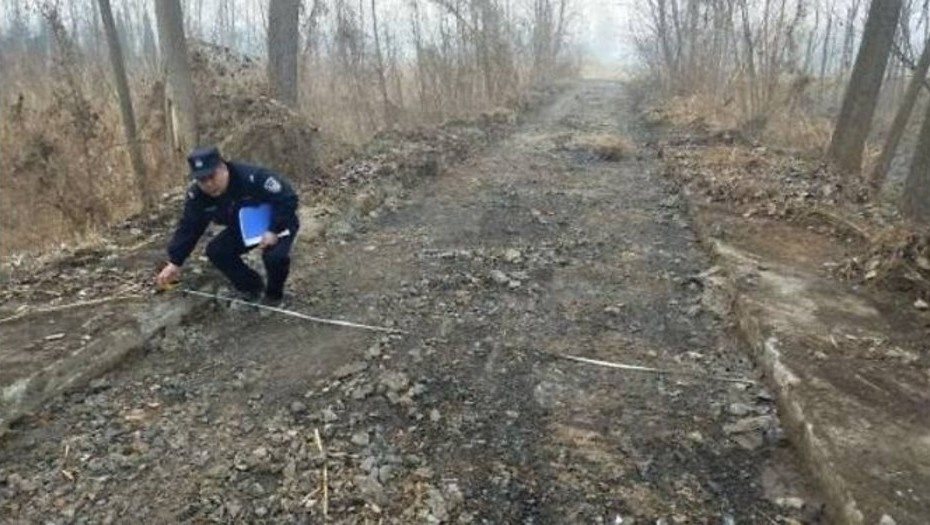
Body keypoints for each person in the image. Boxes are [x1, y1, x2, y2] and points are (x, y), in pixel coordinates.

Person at [156, 145, 299, 306]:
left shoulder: (253, 177)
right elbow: (190, 226)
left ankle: (274, 296)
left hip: (278, 222)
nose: (209, 184)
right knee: (217, 251)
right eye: (202, 180)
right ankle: (252, 288)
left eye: (212, 176)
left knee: (274, 257)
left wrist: (272, 229)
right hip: (243, 229)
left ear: (223, 168)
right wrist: (175, 261)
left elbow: (287, 198)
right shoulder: (198, 196)